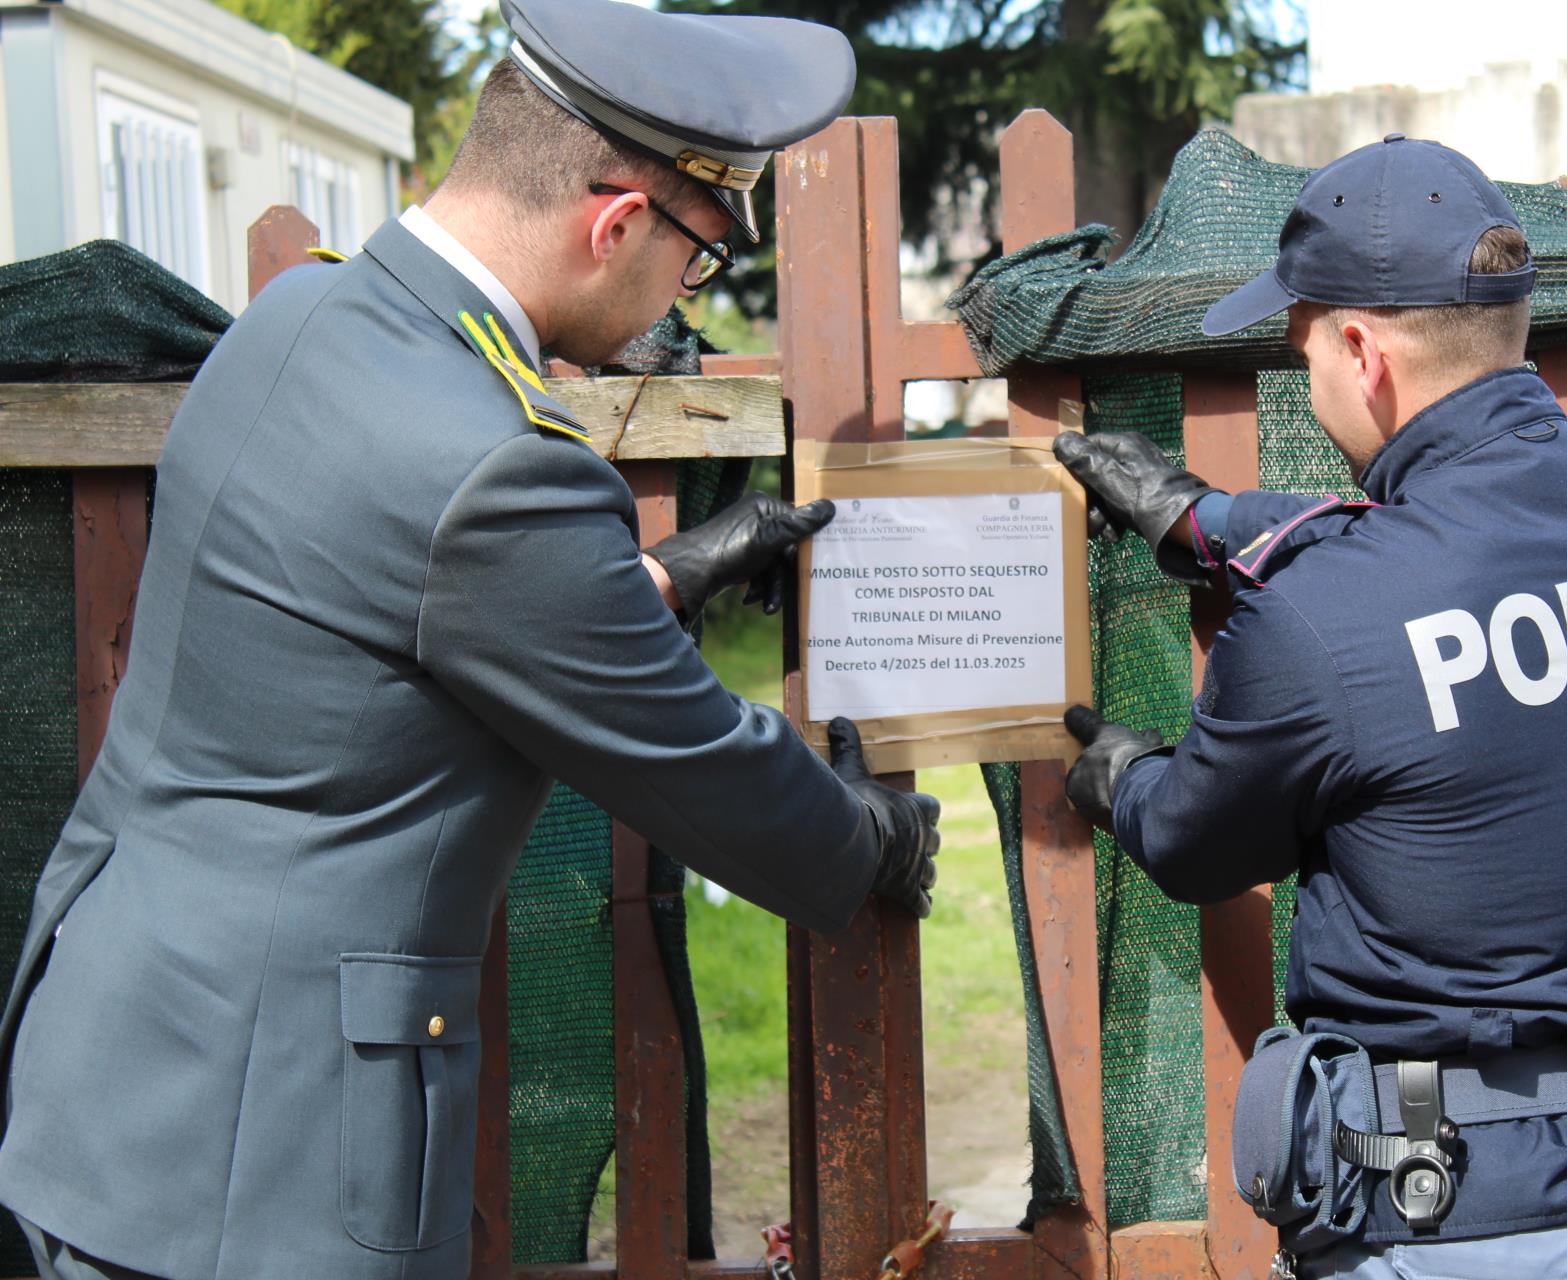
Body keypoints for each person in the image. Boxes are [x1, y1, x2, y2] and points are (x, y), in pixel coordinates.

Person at [0, 3, 941, 1278]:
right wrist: (867, 834)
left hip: (114, 1076)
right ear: (616, 224)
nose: (682, 294)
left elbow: (363, 617)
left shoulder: (295, 321)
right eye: (697, 259)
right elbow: (701, 768)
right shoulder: (499, 467)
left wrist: (647, 579)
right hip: (264, 1171)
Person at [1055, 134, 1567, 1277]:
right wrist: (1213, 520)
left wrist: (1121, 777)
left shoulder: (1315, 620)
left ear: (1361, 348)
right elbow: (1487, 544)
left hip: (1455, 1217)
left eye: (1305, 352)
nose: (1312, 381)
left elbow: (1196, 841)